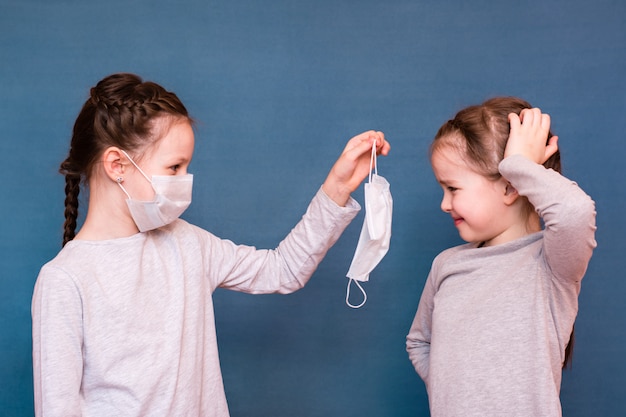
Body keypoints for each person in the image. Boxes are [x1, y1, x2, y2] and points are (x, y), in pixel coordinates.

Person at [31, 72, 390, 416]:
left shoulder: (187, 243)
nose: (185, 180)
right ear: (117, 164)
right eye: (174, 168)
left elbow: (282, 270)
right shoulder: (65, 280)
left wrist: (338, 186)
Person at [405, 97, 597, 416]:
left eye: (453, 188)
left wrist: (519, 166)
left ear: (510, 188)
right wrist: (457, 391)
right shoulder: (446, 265)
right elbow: (419, 342)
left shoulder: (552, 263)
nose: (444, 203)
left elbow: (575, 212)